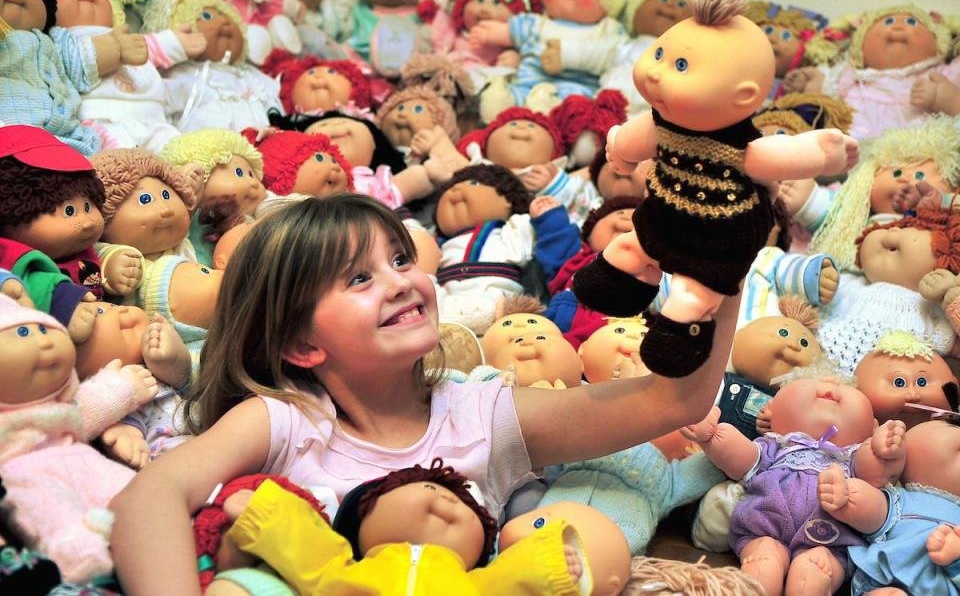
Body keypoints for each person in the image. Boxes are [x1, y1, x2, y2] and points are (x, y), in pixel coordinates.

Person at [110, 193, 741, 594]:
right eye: (360, 277)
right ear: (302, 347)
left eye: (401, 260)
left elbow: (672, 403)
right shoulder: (285, 419)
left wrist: (724, 271)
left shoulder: (483, 414)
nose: (401, 283)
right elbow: (154, 494)